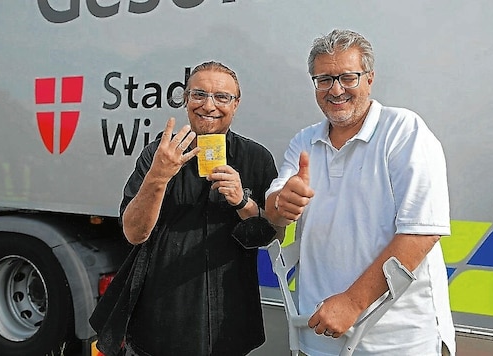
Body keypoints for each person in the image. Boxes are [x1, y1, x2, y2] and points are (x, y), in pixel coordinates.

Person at [264, 29, 456, 356]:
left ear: (369, 78)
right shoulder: (304, 141)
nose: (336, 90)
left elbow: (421, 233)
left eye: (347, 77)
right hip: (318, 334)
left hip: (399, 342)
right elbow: (274, 211)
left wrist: (352, 302)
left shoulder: (404, 131)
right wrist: (282, 204)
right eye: (324, 79)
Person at [90, 61, 281, 356]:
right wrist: (159, 175)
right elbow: (134, 233)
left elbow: (266, 234)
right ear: (186, 99)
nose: (209, 105)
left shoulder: (256, 158)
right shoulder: (158, 154)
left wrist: (243, 202)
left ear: (236, 104)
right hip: (161, 316)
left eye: (222, 97)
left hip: (228, 319)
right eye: (199, 95)